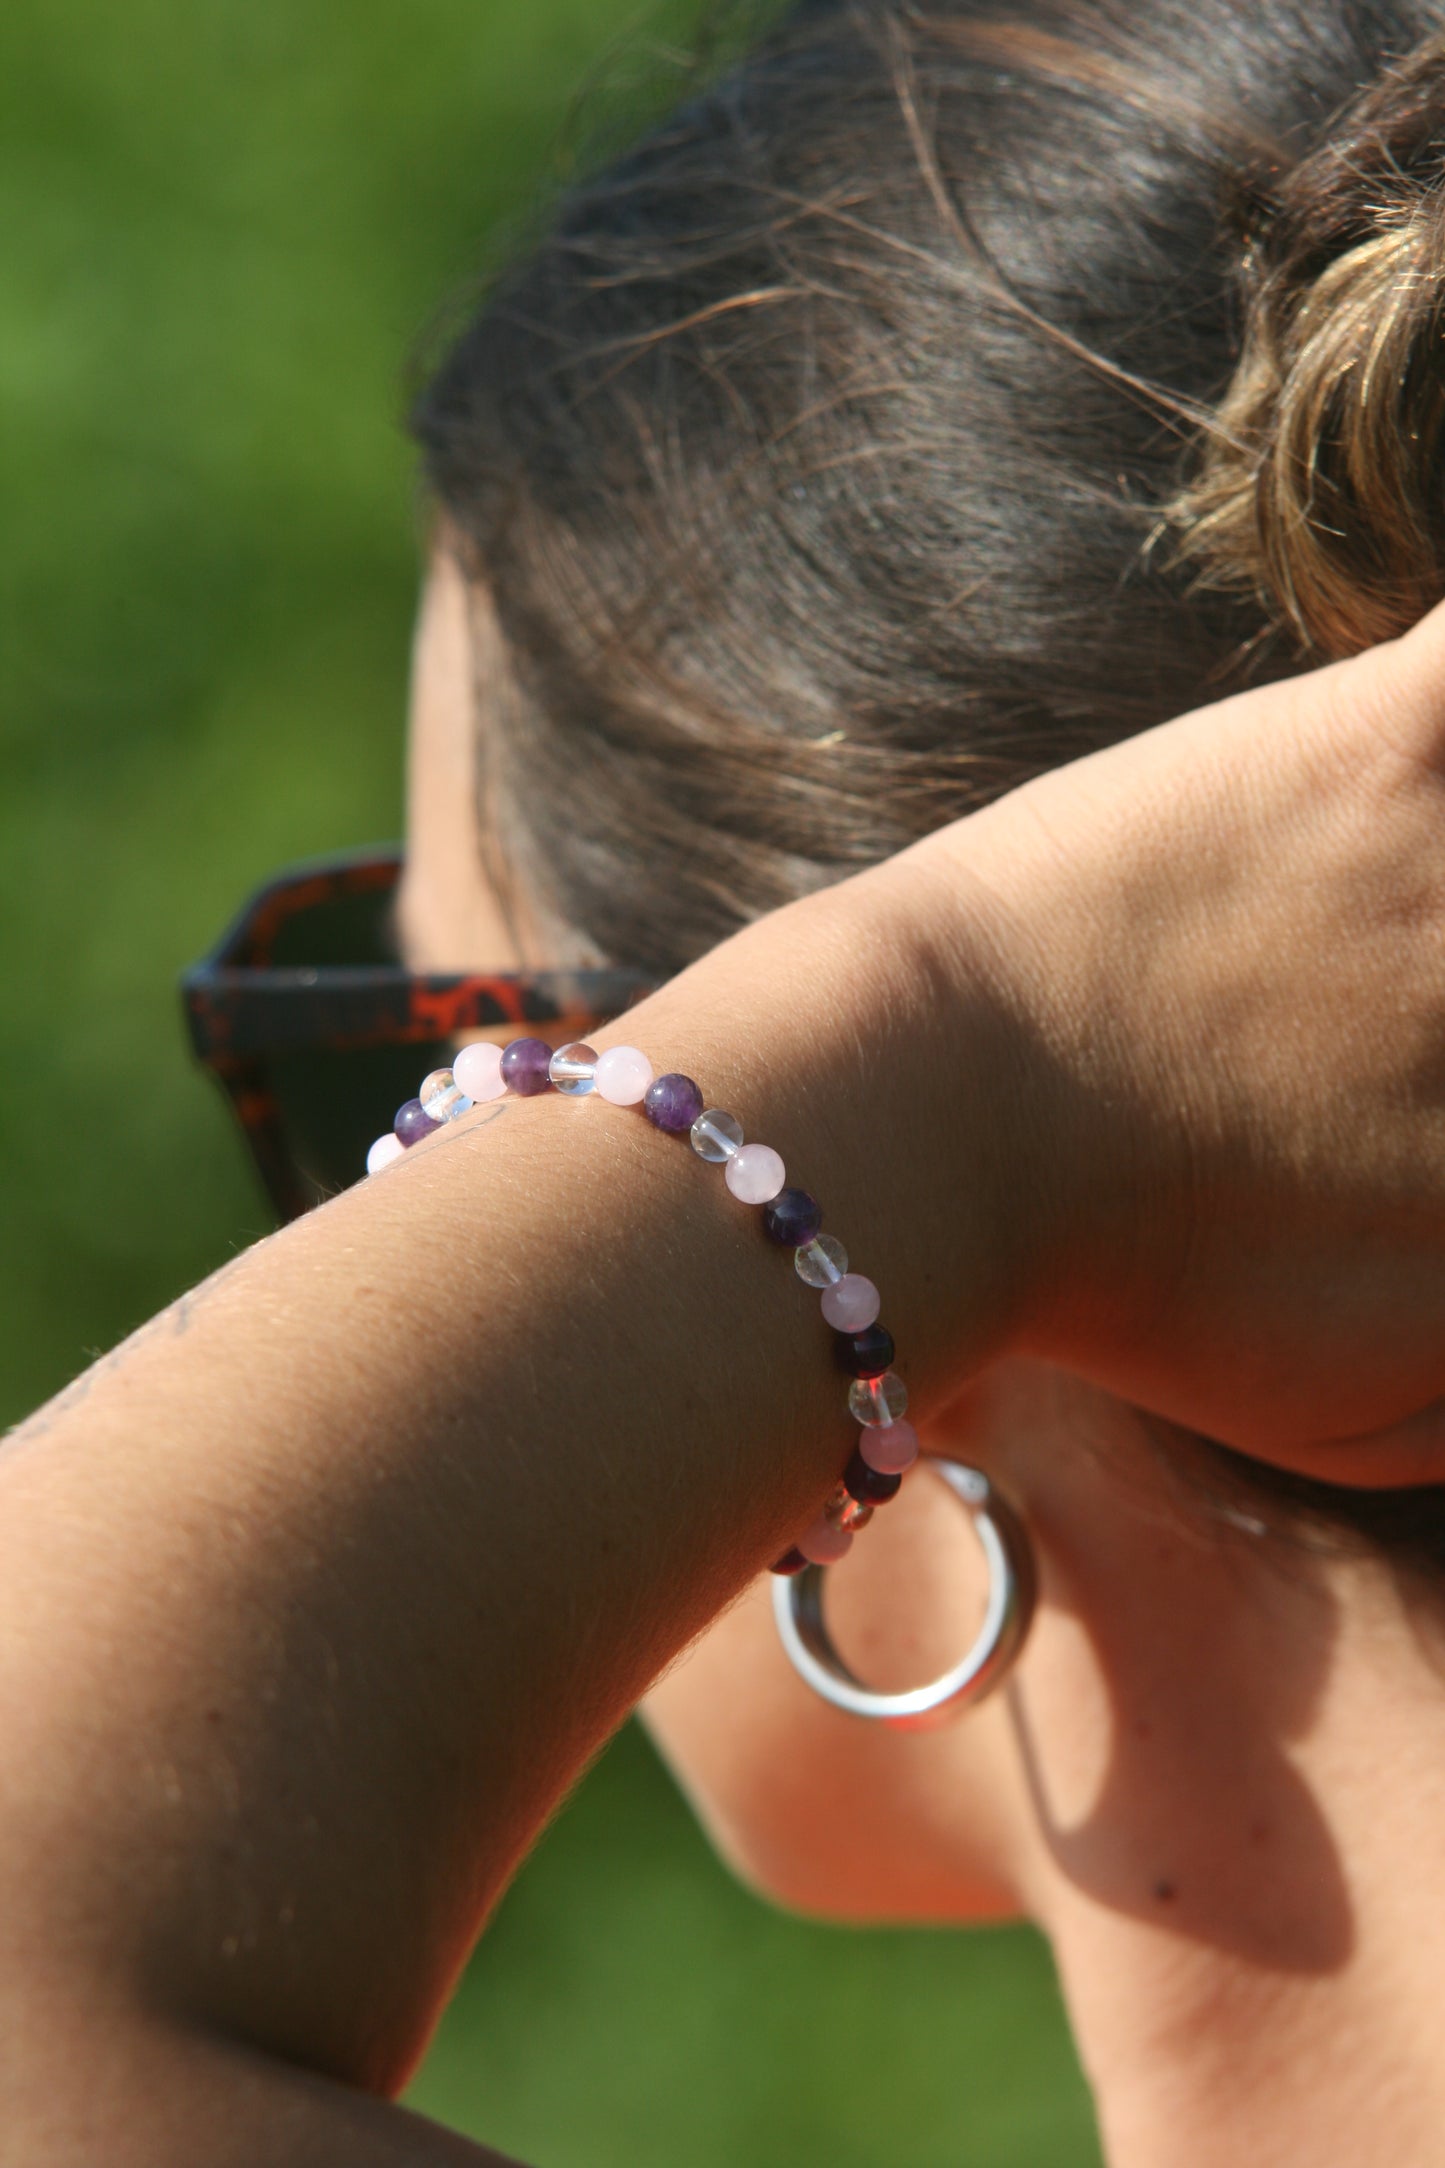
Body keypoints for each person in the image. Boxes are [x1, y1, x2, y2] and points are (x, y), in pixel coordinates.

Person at [8, 4, 1445, 2164]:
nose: (393, 1248)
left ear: (908, 1348)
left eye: (453, 1125)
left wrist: (956, 1075)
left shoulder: (918, 1168)